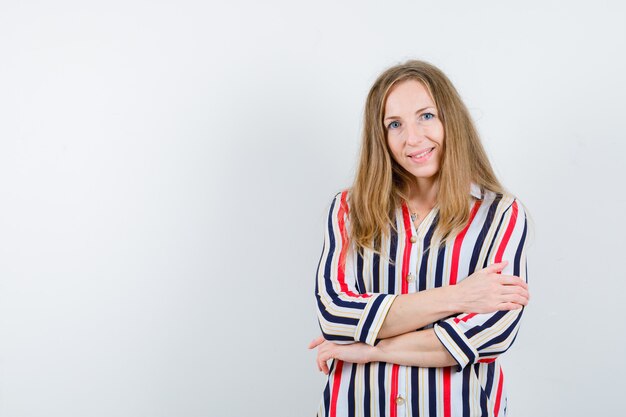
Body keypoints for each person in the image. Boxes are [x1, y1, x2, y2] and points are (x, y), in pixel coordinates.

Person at [308, 60, 531, 417]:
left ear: (450, 120)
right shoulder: (349, 209)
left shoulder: (500, 214)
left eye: (426, 116)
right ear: (380, 136)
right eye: (394, 124)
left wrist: (372, 348)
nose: (412, 138)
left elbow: (491, 335)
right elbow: (335, 316)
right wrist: (458, 296)